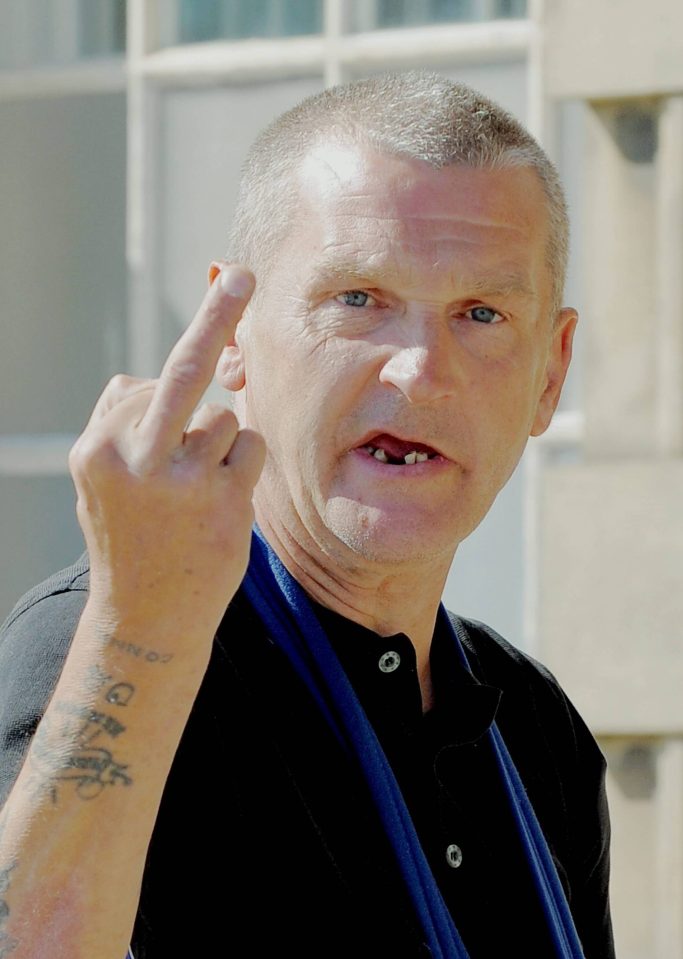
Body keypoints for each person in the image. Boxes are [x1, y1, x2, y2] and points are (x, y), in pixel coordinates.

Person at [0, 72, 613, 958]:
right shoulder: (105, 643)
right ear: (236, 336)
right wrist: (135, 632)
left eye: (479, 313)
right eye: (358, 299)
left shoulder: (534, 729)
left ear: (549, 374)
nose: (417, 371)